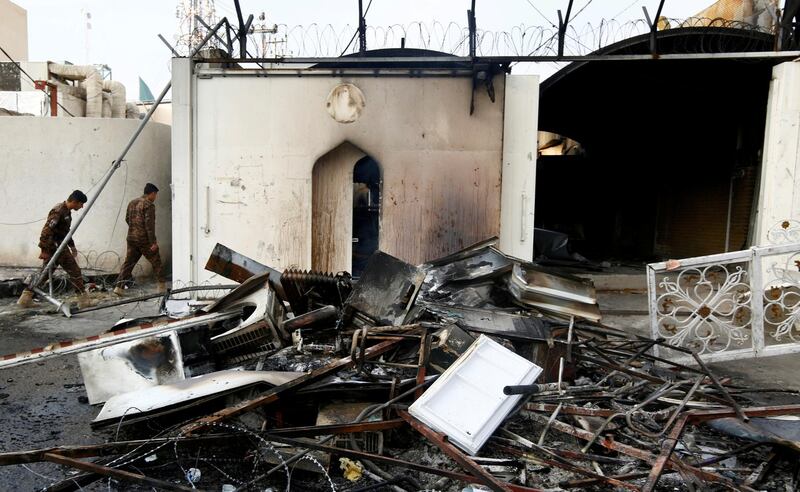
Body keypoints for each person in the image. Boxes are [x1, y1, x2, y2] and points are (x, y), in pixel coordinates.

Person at [17, 190, 94, 308]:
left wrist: (72, 246)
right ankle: (84, 301)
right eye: (81, 204)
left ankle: (25, 298)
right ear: (74, 201)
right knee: (75, 271)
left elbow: (66, 232)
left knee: (45, 274)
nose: (82, 206)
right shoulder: (58, 211)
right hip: (55, 248)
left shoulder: (66, 211)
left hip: (59, 246)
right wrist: (44, 250)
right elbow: (46, 231)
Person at [114, 183, 165, 295]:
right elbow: (149, 225)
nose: (155, 197)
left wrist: (134, 229)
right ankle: (162, 287)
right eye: (155, 195)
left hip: (131, 238)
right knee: (156, 261)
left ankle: (119, 288)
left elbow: (127, 218)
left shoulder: (132, 202)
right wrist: (153, 243)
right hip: (144, 239)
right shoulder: (149, 205)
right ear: (152, 193)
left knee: (128, 263)